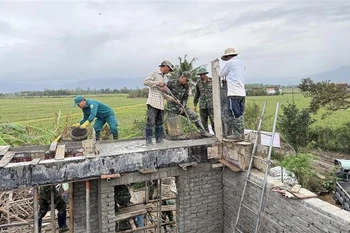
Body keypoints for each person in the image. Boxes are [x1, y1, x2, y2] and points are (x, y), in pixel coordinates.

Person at [214, 47, 246, 141]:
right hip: (242, 92)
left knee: (234, 113)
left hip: (233, 92)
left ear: (228, 56)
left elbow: (220, 74)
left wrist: (216, 66)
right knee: (240, 113)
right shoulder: (242, 63)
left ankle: (237, 135)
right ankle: (241, 133)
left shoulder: (230, 63)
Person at [166, 72, 212, 138]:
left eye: (188, 81)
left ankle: (203, 132)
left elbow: (185, 98)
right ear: (182, 77)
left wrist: (183, 107)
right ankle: (171, 136)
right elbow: (164, 92)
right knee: (172, 121)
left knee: (194, 116)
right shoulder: (171, 83)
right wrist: (171, 99)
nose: (187, 82)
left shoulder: (186, 86)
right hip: (172, 107)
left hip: (182, 106)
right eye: (186, 80)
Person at [144, 60, 179, 145]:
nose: (169, 72)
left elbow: (164, 94)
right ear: (165, 66)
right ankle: (148, 141)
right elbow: (146, 82)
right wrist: (158, 83)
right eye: (169, 69)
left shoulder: (165, 78)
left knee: (159, 122)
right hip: (153, 102)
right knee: (151, 122)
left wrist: (174, 100)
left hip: (160, 104)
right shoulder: (154, 73)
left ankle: (159, 139)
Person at [194, 67, 214, 134]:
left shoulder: (212, 81)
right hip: (202, 106)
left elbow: (217, 92)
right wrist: (195, 105)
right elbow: (197, 95)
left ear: (206, 74)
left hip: (212, 105)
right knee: (203, 122)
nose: (202, 76)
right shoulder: (198, 83)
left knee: (214, 121)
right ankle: (206, 135)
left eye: (203, 74)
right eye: (200, 75)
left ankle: (217, 135)